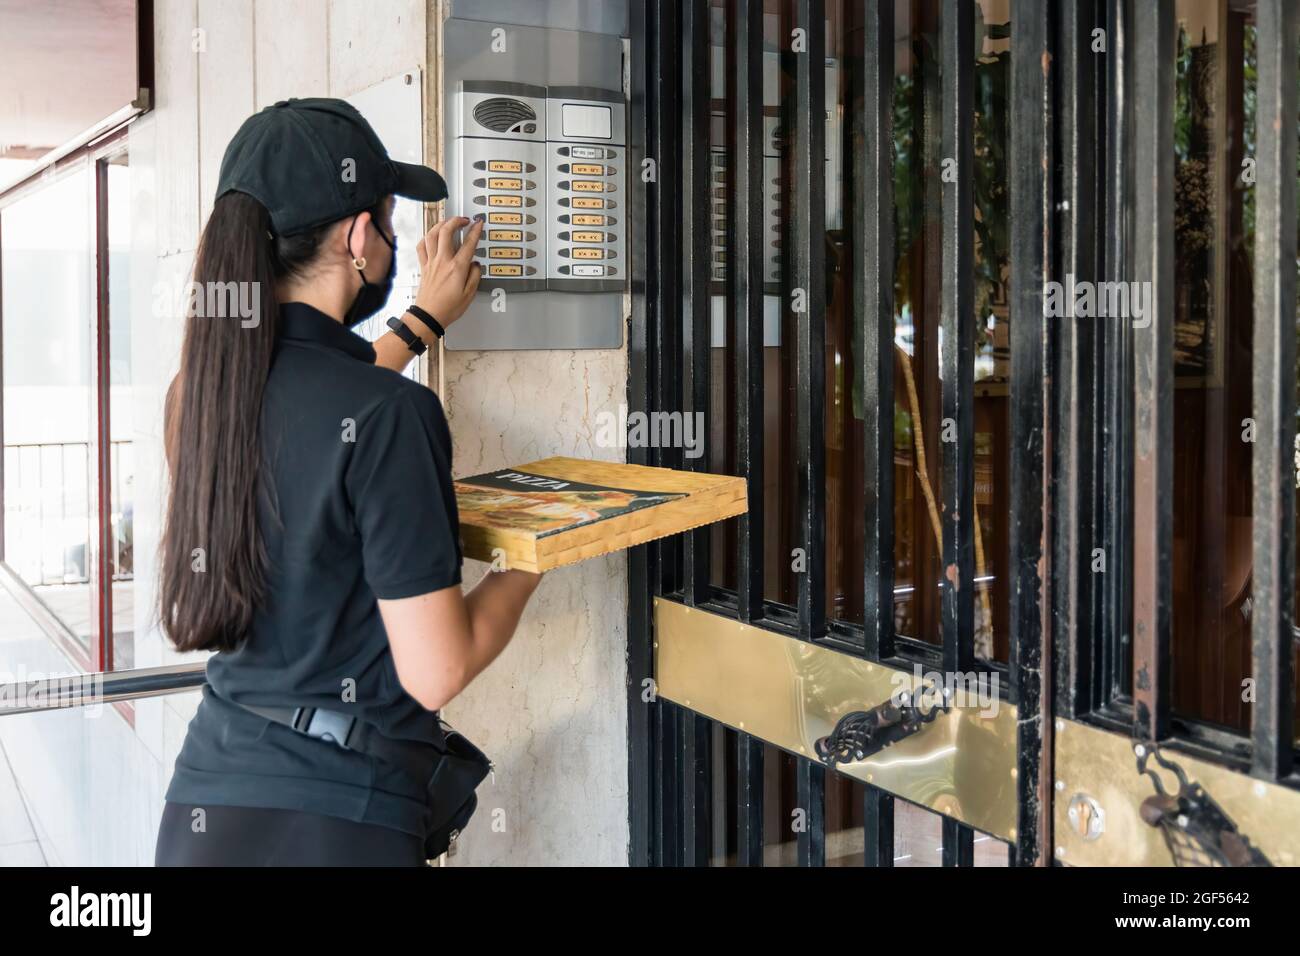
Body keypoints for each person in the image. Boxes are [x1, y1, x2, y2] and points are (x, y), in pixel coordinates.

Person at [153, 98, 541, 866]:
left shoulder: (195, 395)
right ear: (359, 236)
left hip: (206, 799)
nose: (394, 240)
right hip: (336, 823)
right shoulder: (391, 415)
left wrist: (422, 323)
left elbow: (324, 421)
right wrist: (542, 549)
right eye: (391, 221)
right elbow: (437, 672)